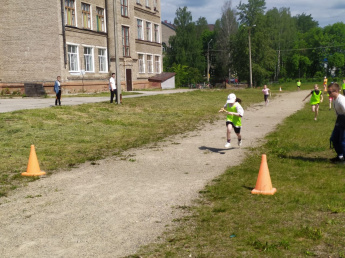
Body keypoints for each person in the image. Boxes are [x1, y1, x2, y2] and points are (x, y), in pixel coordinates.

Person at [328, 83, 345, 163]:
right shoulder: (334, 99)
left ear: (337, 91)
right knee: (334, 139)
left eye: (330, 92)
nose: (329, 94)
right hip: (340, 121)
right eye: (328, 92)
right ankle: (340, 156)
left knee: (342, 141)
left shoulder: (341, 100)